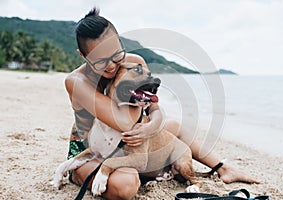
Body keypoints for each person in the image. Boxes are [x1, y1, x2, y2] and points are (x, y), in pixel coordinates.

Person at [65, 7, 259, 200]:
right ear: (83, 56)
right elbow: (125, 123)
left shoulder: (134, 62)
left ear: (120, 43)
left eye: (116, 54)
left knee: (173, 125)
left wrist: (152, 125)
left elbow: (153, 106)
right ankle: (81, 174)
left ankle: (223, 168)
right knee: (126, 186)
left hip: (127, 145)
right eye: (99, 61)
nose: (111, 65)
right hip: (93, 151)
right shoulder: (77, 82)